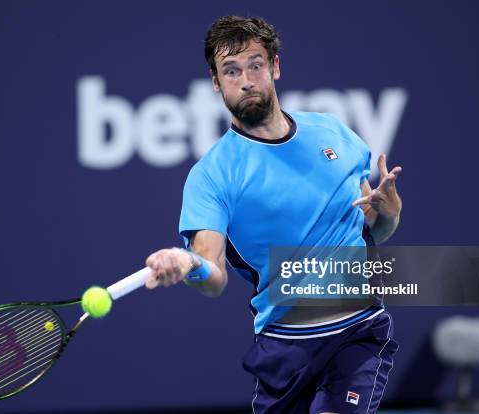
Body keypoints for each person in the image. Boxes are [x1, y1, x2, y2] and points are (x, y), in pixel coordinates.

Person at [144, 15, 401, 414]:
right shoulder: (211, 175)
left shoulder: (333, 133)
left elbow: (373, 232)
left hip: (358, 330)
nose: (245, 79)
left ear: (275, 67)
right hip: (284, 346)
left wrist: (388, 214)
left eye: (255, 65)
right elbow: (212, 274)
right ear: (215, 82)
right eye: (230, 70)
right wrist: (188, 263)